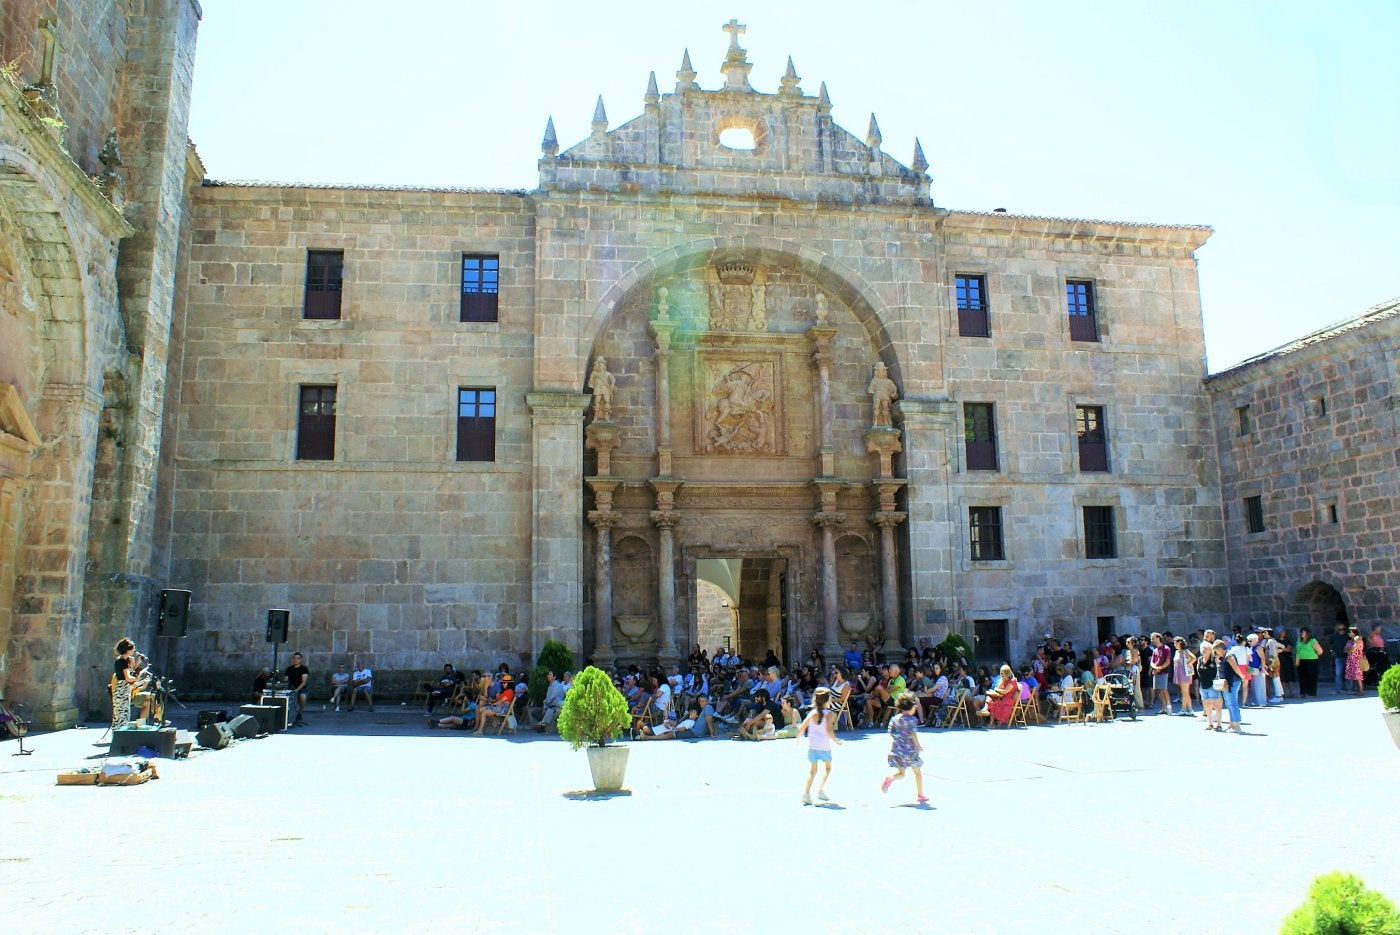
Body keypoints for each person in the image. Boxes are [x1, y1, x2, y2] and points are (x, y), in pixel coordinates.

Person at [796, 686, 842, 805]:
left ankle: (806, 794)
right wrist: (836, 740)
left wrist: (798, 738)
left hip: (813, 747)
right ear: (827, 700)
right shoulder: (830, 714)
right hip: (824, 746)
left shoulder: (812, 713)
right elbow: (829, 731)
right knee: (828, 768)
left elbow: (801, 728)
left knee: (812, 771)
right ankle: (820, 789)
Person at [880, 694, 926, 804]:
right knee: (917, 773)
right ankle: (920, 795)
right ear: (911, 707)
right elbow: (913, 734)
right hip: (910, 751)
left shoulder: (894, 719)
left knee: (901, 773)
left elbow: (891, 732)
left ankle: (890, 779)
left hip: (896, 750)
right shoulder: (911, 720)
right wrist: (918, 746)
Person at [111, 638, 152, 726]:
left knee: (122, 714)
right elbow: (128, 677)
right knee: (121, 715)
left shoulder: (122, 660)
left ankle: (119, 734)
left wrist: (137, 662)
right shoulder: (122, 661)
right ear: (127, 650)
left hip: (123, 689)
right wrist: (138, 678)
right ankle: (119, 734)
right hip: (121, 690)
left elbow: (129, 672)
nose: (134, 650)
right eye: (133, 648)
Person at [1294, 627, 1323, 698]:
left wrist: (1312, 655)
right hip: (1301, 661)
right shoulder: (1299, 640)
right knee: (1302, 677)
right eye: (1300, 632)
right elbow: (1297, 651)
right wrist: (1297, 661)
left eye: (1302, 632)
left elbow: (1320, 651)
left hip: (1312, 661)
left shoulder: (1312, 641)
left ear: (1307, 633)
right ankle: (1303, 692)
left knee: (1311, 677)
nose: (1301, 633)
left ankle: (1311, 693)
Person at [1172, 636, 1197, 716]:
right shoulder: (1177, 652)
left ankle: (1183, 709)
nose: (1174, 645)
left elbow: (1193, 658)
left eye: (1175, 643)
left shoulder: (1185, 651)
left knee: (1185, 692)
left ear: (1179, 643)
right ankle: (1189, 709)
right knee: (1185, 692)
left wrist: (1187, 664)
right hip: (1178, 673)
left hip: (1184, 673)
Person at [1149, 632, 1173, 714]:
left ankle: (1169, 707)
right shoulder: (1155, 650)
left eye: (1153, 638)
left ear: (1158, 637)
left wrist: (1160, 668)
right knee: (1159, 691)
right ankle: (1163, 708)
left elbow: (1167, 661)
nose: (1152, 640)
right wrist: (1155, 668)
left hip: (1163, 672)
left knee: (1164, 690)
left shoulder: (1166, 648)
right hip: (1156, 672)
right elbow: (1152, 661)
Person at [285, 652, 310, 727]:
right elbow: (285, 681)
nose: (296, 660)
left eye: (298, 658)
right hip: (290, 688)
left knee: (303, 696)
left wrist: (297, 690)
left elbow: (304, 682)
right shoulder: (289, 669)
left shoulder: (304, 669)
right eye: (294, 658)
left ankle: (300, 713)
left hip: (301, 688)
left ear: (300, 659)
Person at [1344, 627, 1366, 695]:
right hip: (1351, 660)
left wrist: (1349, 649)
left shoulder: (1359, 640)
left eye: (1350, 632)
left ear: (1354, 633)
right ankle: (1356, 690)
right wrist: (1349, 649)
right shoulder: (1349, 641)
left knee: (1358, 676)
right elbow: (1344, 650)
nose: (1348, 633)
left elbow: (1352, 650)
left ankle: (1361, 690)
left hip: (1357, 660)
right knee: (1353, 675)